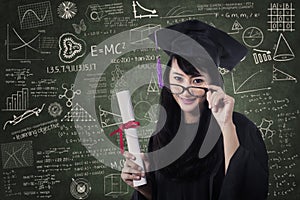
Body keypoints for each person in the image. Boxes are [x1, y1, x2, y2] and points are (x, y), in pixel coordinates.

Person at [121, 20, 269, 200]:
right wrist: (145, 188)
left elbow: (247, 192)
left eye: (197, 81)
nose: (185, 90)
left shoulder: (242, 129)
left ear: (213, 84)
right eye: (178, 78)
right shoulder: (162, 135)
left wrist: (226, 126)